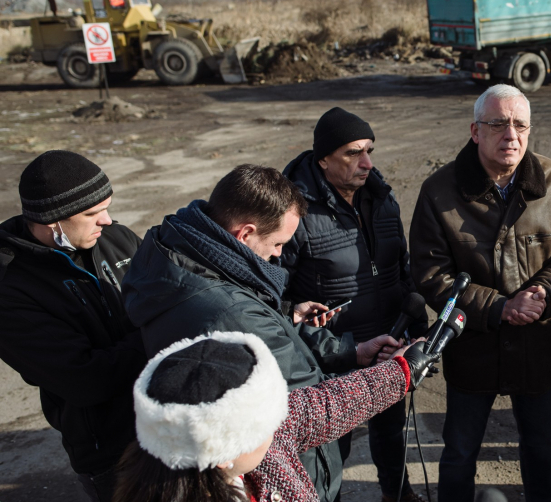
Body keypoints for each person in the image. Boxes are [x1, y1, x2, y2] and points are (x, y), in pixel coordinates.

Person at [122, 164, 399, 502]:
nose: (279, 254)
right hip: (279, 470)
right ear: (245, 233)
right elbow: (307, 405)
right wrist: (394, 373)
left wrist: (344, 347)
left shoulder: (181, 247)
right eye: (277, 242)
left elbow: (257, 323)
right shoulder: (229, 309)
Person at [409, 84, 551, 502]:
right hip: (471, 345)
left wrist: (543, 293)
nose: (511, 135)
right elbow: (430, 273)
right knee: (460, 451)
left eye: (520, 125)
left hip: (537, 341)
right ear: (475, 131)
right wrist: (499, 307)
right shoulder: (439, 191)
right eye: (498, 124)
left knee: (539, 445)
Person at [280, 107, 427, 502]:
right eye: (353, 153)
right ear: (323, 159)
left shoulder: (382, 199)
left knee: (391, 435)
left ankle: (398, 494)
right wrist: (313, 328)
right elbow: (275, 295)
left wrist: (415, 324)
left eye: (369, 151)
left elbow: (400, 267)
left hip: (387, 344)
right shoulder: (294, 212)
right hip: (332, 360)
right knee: (330, 453)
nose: (367, 163)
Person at [114, 331, 439, 502]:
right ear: (223, 453)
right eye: (267, 419)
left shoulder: (248, 439)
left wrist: (399, 371)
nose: (280, 420)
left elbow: (323, 406)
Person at [0, 150, 147, 502]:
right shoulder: (11, 287)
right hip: (113, 453)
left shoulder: (118, 239)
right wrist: (159, 335)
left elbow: (174, 294)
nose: (107, 221)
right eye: (92, 213)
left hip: (168, 420)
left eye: (106, 208)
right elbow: (85, 379)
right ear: (52, 220)